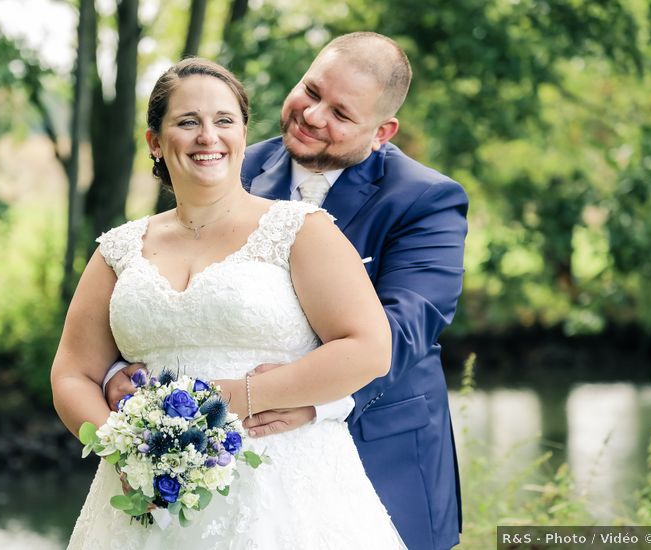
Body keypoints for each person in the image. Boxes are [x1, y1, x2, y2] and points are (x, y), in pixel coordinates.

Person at [104, 33, 468, 549]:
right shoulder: (225, 161)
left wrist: (315, 400)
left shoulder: (425, 199)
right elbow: (161, 279)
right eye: (311, 91)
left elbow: (403, 329)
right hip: (223, 464)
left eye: (341, 114)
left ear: (382, 131)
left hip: (378, 447)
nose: (314, 115)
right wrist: (121, 372)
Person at [52, 57, 406, 548]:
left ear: (243, 135)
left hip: (282, 493)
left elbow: (369, 348)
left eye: (224, 121)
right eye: (187, 122)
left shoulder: (299, 230)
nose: (207, 136)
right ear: (155, 141)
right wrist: (123, 448)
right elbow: (72, 373)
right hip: (150, 502)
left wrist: (232, 398)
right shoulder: (119, 250)